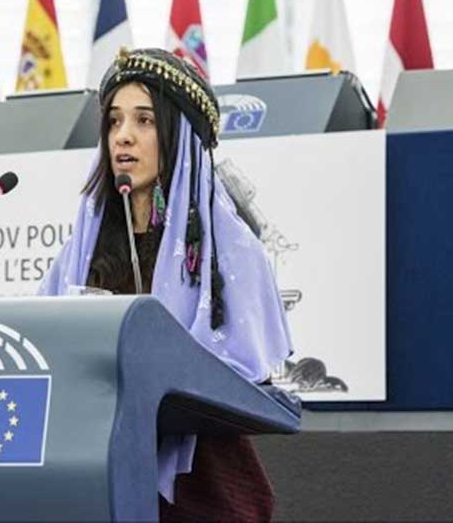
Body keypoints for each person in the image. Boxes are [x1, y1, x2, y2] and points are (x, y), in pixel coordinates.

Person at [39, 47, 294, 521]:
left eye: (144, 121)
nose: (124, 136)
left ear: (179, 138)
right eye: (114, 121)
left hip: (203, 490)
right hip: (95, 479)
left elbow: (241, 374)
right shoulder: (82, 248)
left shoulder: (231, 249)